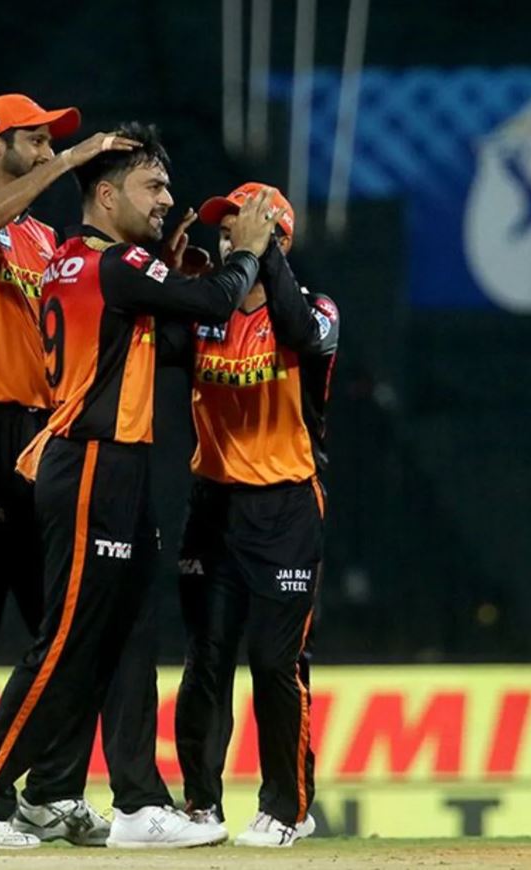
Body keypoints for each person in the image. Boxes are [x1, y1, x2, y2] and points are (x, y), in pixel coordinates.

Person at [0, 123, 281, 850]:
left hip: (112, 464)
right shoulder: (114, 264)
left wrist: (175, 262)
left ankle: (128, 803)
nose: (166, 200)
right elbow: (215, 303)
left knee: (120, 635)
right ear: (106, 192)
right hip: (91, 460)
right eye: (152, 186)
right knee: (66, 638)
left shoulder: (77, 260)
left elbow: (174, 330)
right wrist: (245, 246)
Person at [0, 93, 141, 848]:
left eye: (57, 141)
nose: (50, 147)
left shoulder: (47, 238)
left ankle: (51, 792)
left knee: (65, 621)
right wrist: (77, 163)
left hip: (42, 434)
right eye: (36, 138)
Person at [165, 183, 339, 847]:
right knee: (205, 659)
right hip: (212, 503)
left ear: (275, 242)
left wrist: (264, 259)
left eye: (238, 228)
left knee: (275, 662)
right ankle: (200, 806)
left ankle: (289, 807)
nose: (223, 238)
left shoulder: (316, 313)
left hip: (286, 505)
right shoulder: (203, 312)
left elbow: (298, 332)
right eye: (222, 228)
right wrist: (165, 270)